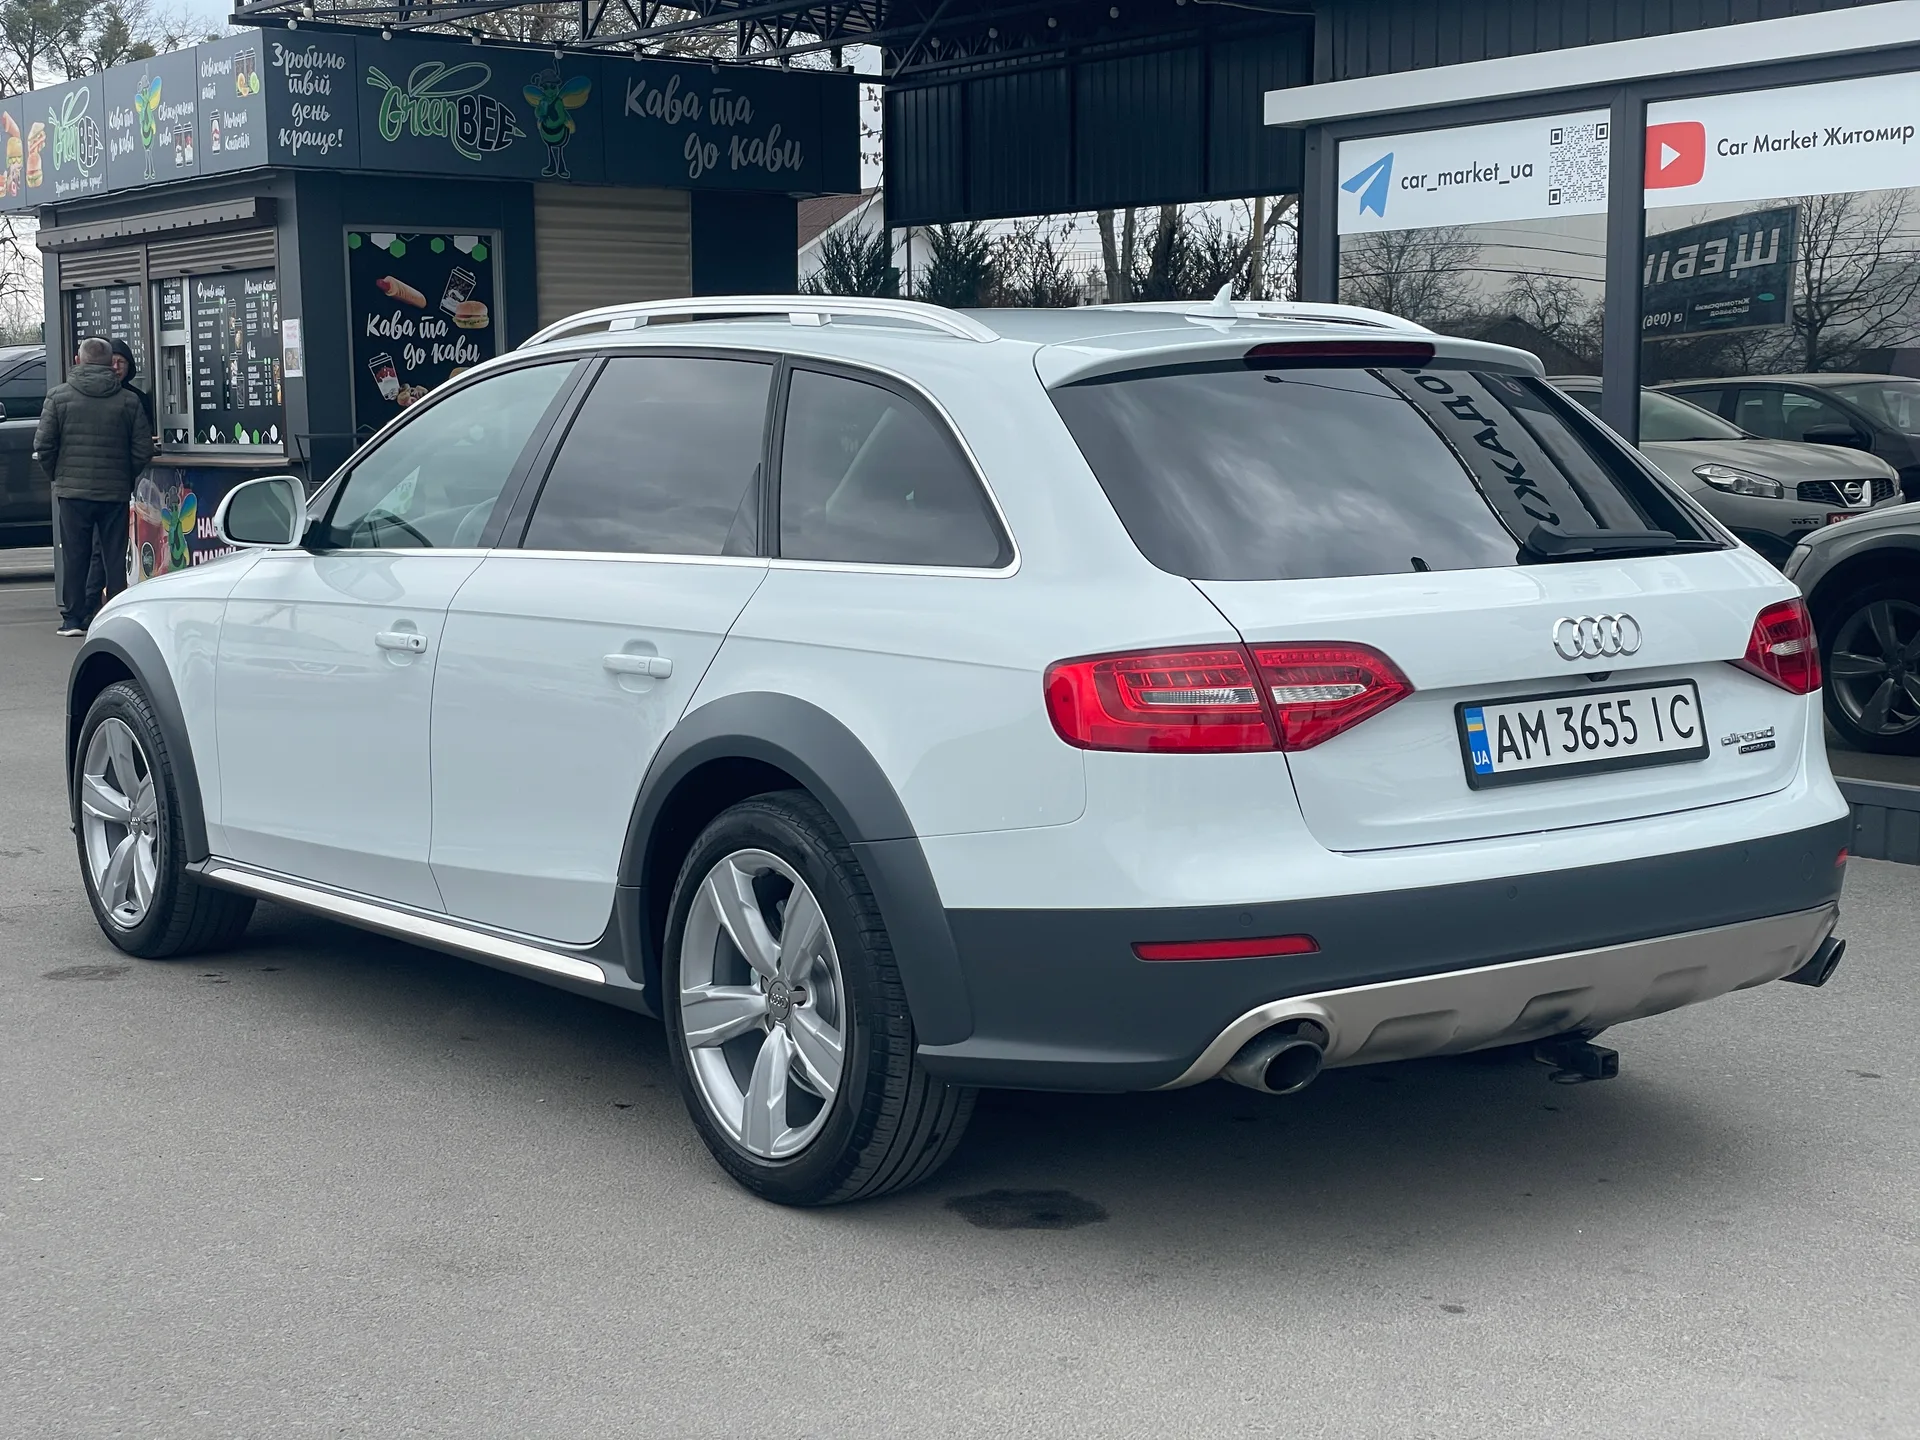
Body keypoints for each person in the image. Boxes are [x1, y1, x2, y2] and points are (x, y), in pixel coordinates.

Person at [35, 336, 154, 636]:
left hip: (72, 493)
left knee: (75, 554)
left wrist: (59, 476)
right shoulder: (129, 401)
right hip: (113, 492)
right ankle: (114, 614)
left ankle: (73, 618)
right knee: (115, 555)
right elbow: (142, 450)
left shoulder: (58, 397)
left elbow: (43, 445)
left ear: (79, 361)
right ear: (109, 363)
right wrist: (124, 476)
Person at [87, 340, 158, 611]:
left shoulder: (137, 399)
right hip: (106, 485)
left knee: (115, 548)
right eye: (112, 361)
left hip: (123, 483)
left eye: (122, 362)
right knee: (98, 548)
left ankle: (109, 601)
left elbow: (143, 443)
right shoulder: (96, 396)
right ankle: (92, 600)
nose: (116, 367)